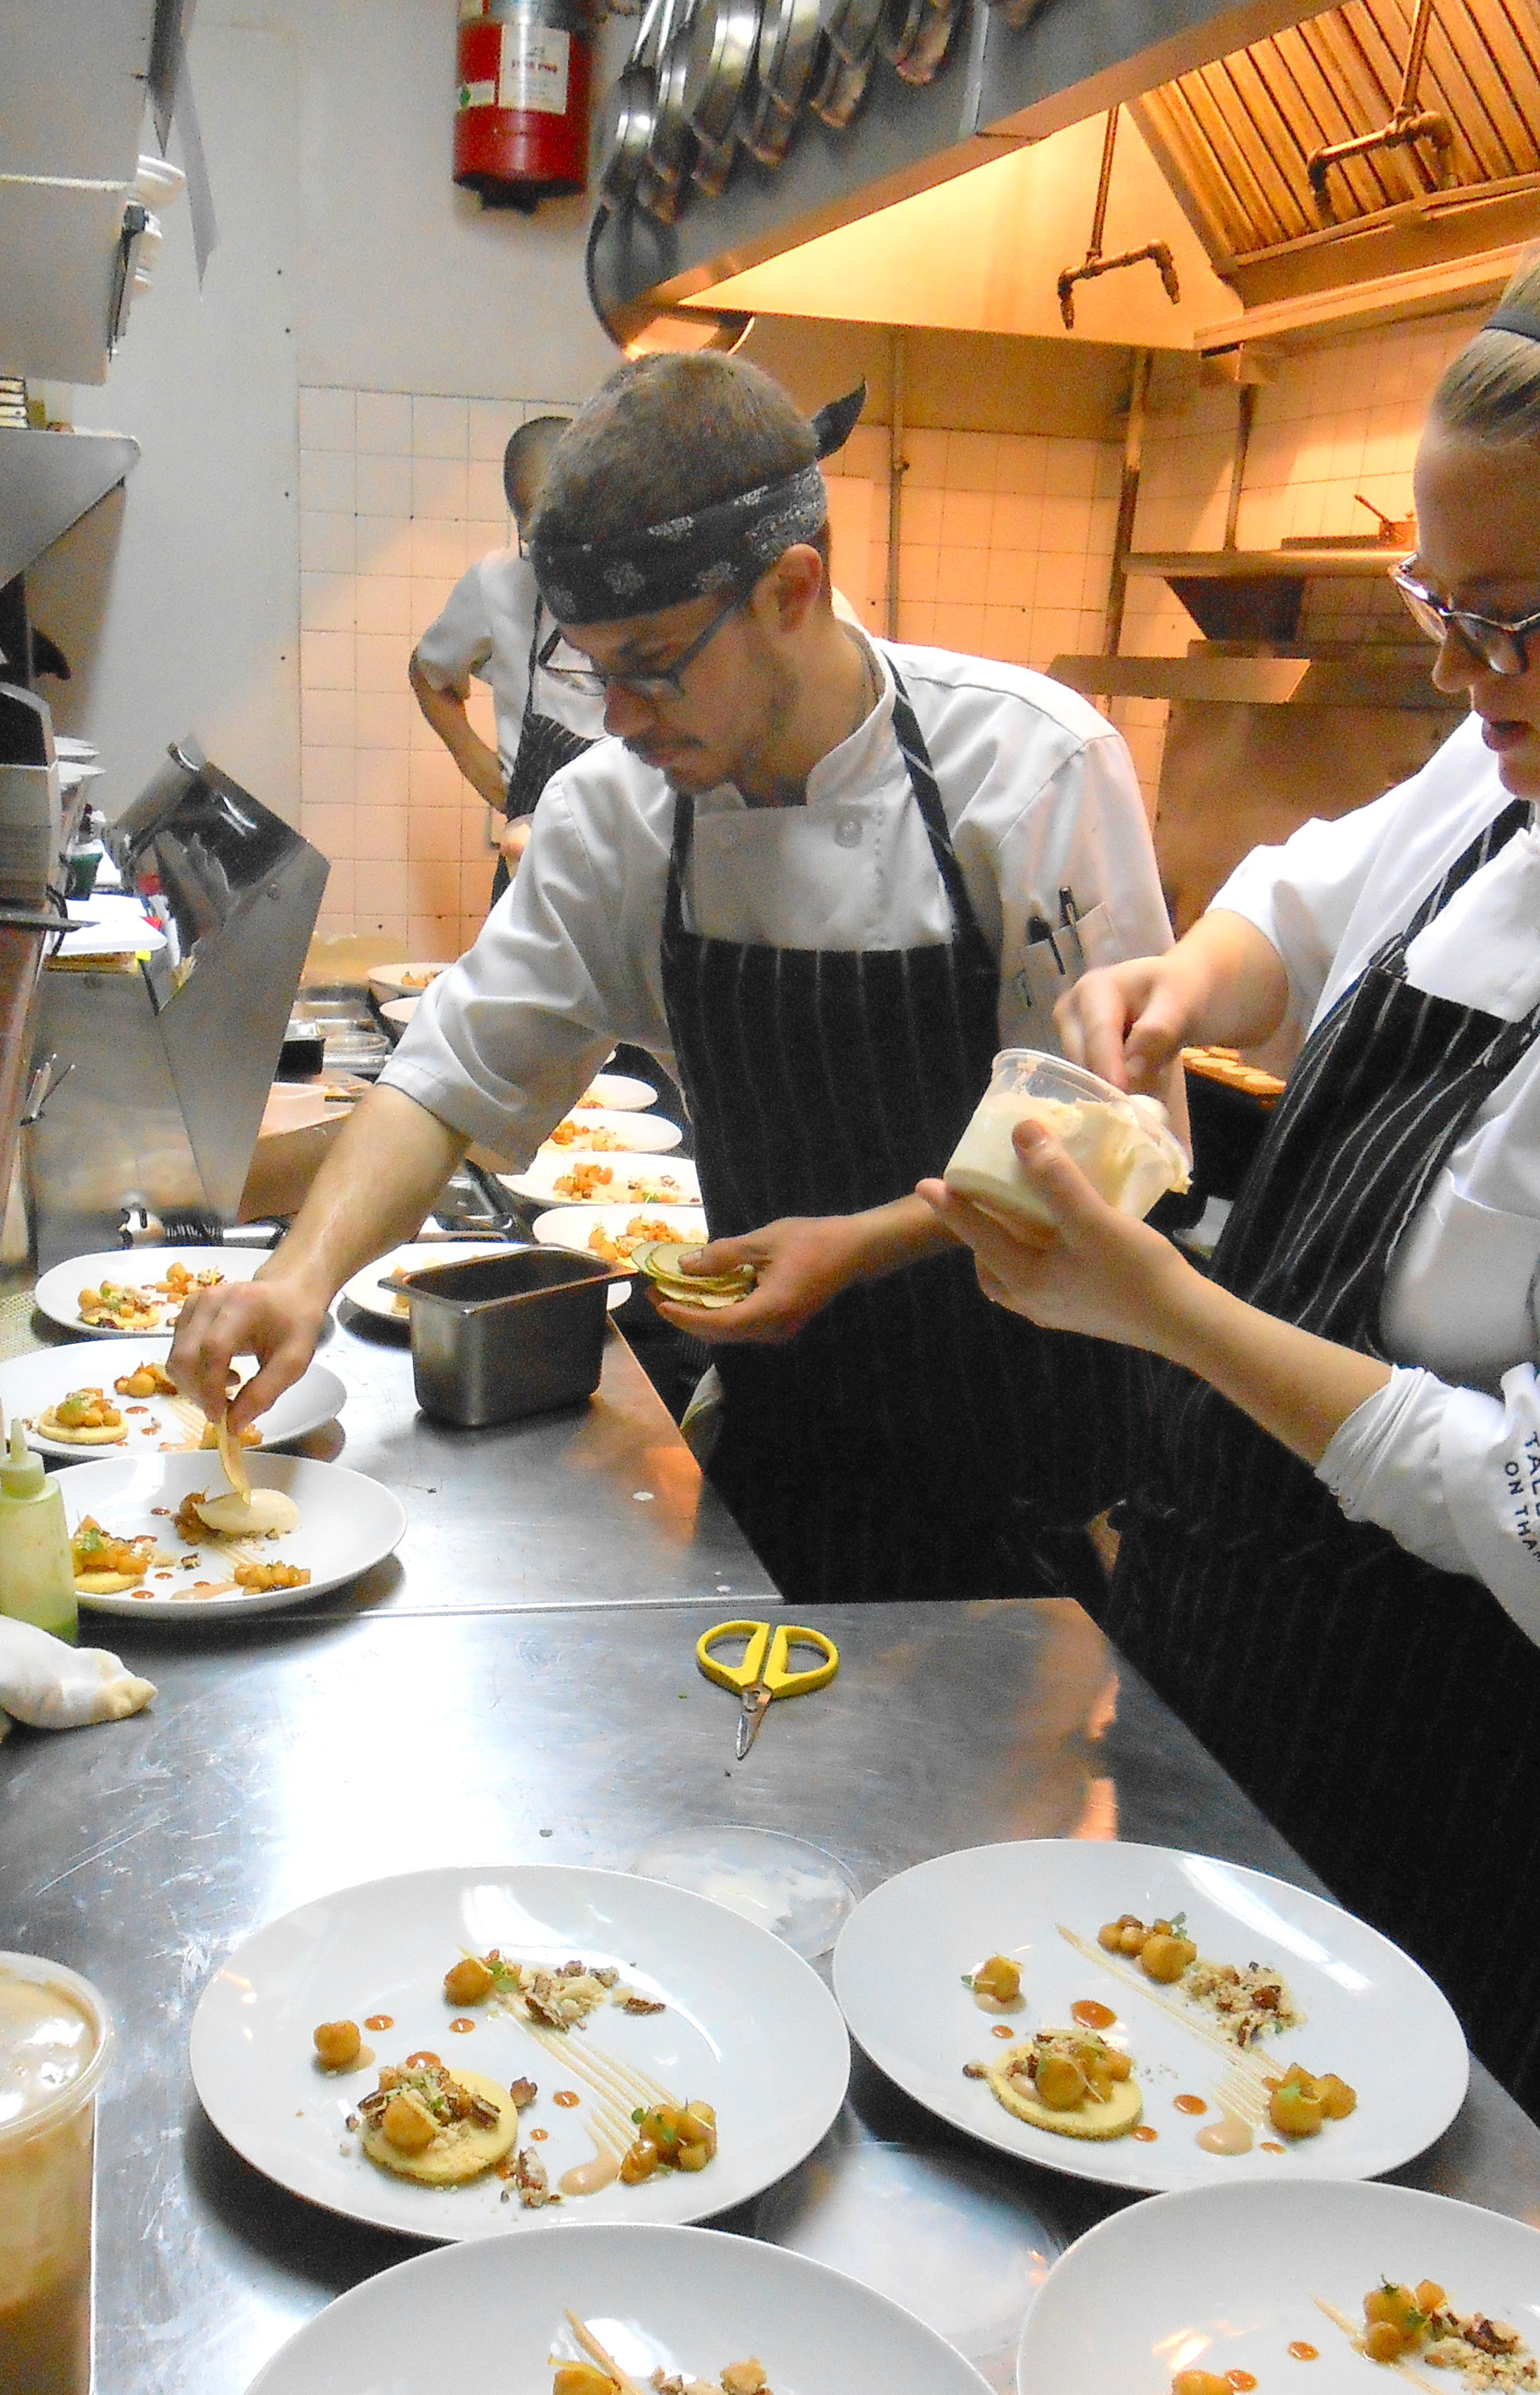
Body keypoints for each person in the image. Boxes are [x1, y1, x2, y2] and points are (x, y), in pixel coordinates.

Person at [921, 196, 1540, 2082]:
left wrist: (1159, 1311)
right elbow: (1306, 897)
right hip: (1245, 1677)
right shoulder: (1529, 740)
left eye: (1506, 617)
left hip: (1478, 1792)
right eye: (1429, 606)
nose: (1461, 676)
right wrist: (1184, 980)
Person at [174, 354, 1175, 1602]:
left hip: (1034, 1464)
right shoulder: (622, 810)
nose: (623, 719)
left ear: (791, 590)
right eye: (596, 673)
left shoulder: (1030, 766)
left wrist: (859, 1248)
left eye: (653, 666)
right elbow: (453, 1071)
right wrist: (298, 1281)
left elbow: (1117, 1137)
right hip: (785, 1439)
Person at [409, 413, 606, 893]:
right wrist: (476, 762)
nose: (555, 559)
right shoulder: (496, 583)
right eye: (537, 540)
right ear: (518, 522)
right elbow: (427, 673)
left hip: (627, 868)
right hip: (528, 871)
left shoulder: (645, 586)